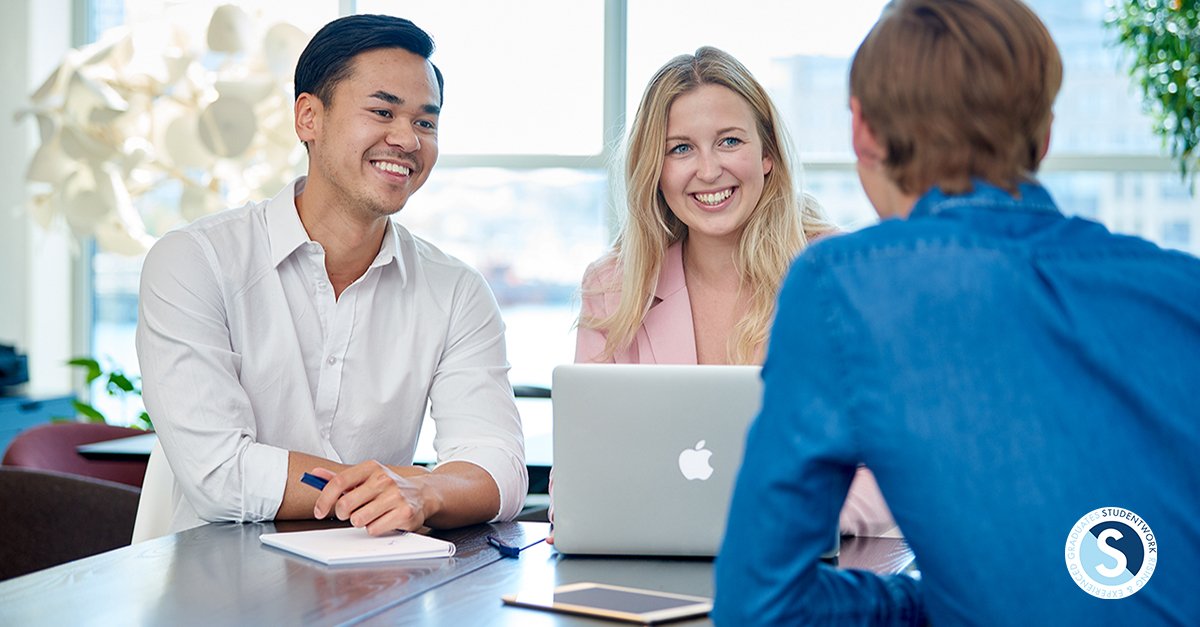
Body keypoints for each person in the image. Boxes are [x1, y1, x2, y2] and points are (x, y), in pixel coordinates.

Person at [714, 0, 1200, 624]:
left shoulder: (843, 289)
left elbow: (762, 605)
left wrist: (949, 605)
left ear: (861, 131)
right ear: (1045, 135)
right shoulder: (1183, 289)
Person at [136, 15, 527, 536]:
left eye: (426, 123)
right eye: (382, 111)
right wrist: (394, 489)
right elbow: (220, 474)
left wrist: (425, 491)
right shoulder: (192, 261)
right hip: (209, 588)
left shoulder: (456, 290)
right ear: (308, 118)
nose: (408, 140)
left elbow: (498, 468)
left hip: (371, 592)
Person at [574, 47, 894, 536]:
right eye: (680, 148)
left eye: (728, 141)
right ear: (654, 172)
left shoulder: (846, 275)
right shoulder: (612, 285)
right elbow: (584, 459)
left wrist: (798, 521)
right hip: (655, 554)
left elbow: (895, 463)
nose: (707, 171)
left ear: (767, 155)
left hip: (809, 565)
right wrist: (583, 512)